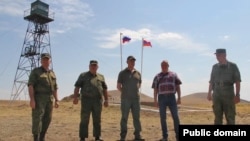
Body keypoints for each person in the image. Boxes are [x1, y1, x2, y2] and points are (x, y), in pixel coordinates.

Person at [73, 60, 109, 141]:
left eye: (95, 65)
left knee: (97, 119)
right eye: (92, 65)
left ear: (97, 67)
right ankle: (82, 137)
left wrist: (106, 100)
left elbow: (105, 89)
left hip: (97, 101)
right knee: (84, 119)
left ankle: (97, 136)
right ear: (89, 66)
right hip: (86, 100)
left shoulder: (101, 77)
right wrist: (75, 98)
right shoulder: (83, 75)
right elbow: (77, 87)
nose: (93, 67)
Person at [28, 53, 59, 141]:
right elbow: (31, 86)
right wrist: (32, 99)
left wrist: (57, 100)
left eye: (47, 59)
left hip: (49, 99)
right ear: (41, 61)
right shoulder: (36, 71)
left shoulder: (52, 73)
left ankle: (42, 137)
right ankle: (36, 138)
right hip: (39, 98)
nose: (45, 61)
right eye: (43, 59)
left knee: (47, 119)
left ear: (50, 61)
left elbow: (55, 88)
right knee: (37, 118)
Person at [207, 48, 241, 125]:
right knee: (217, 117)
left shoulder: (233, 66)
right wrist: (209, 93)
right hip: (217, 93)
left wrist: (237, 95)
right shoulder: (214, 67)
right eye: (216, 55)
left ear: (225, 55)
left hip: (228, 93)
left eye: (219, 55)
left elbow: (237, 81)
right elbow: (211, 81)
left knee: (230, 117)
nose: (217, 57)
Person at [151, 60, 181, 141]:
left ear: (168, 66)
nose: (164, 66)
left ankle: (178, 136)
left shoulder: (174, 75)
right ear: (161, 66)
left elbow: (178, 87)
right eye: (162, 65)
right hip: (161, 98)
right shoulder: (157, 76)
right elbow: (155, 89)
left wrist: (179, 98)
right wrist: (155, 100)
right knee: (163, 118)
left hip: (172, 97)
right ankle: (165, 136)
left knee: (176, 117)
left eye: (166, 65)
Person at [117, 55, 145, 141]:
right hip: (125, 99)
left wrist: (134, 91)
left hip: (136, 99)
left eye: (133, 61)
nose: (132, 62)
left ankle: (138, 135)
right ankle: (123, 136)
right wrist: (125, 92)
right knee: (124, 117)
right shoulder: (122, 73)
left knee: (136, 117)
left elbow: (139, 84)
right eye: (130, 61)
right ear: (127, 62)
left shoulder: (138, 73)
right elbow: (118, 86)